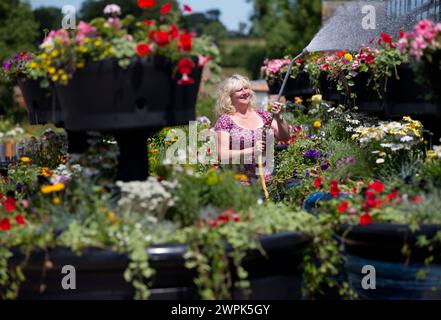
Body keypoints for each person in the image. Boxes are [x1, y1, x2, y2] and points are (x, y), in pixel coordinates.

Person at [214, 74, 291, 184]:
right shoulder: (225, 121)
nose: (245, 92)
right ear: (229, 96)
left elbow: (285, 137)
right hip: (241, 184)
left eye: (246, 88)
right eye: (239, 90)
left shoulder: (263, 116)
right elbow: (223, 154)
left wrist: (279, 118)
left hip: (268, 182)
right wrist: (252, 150)